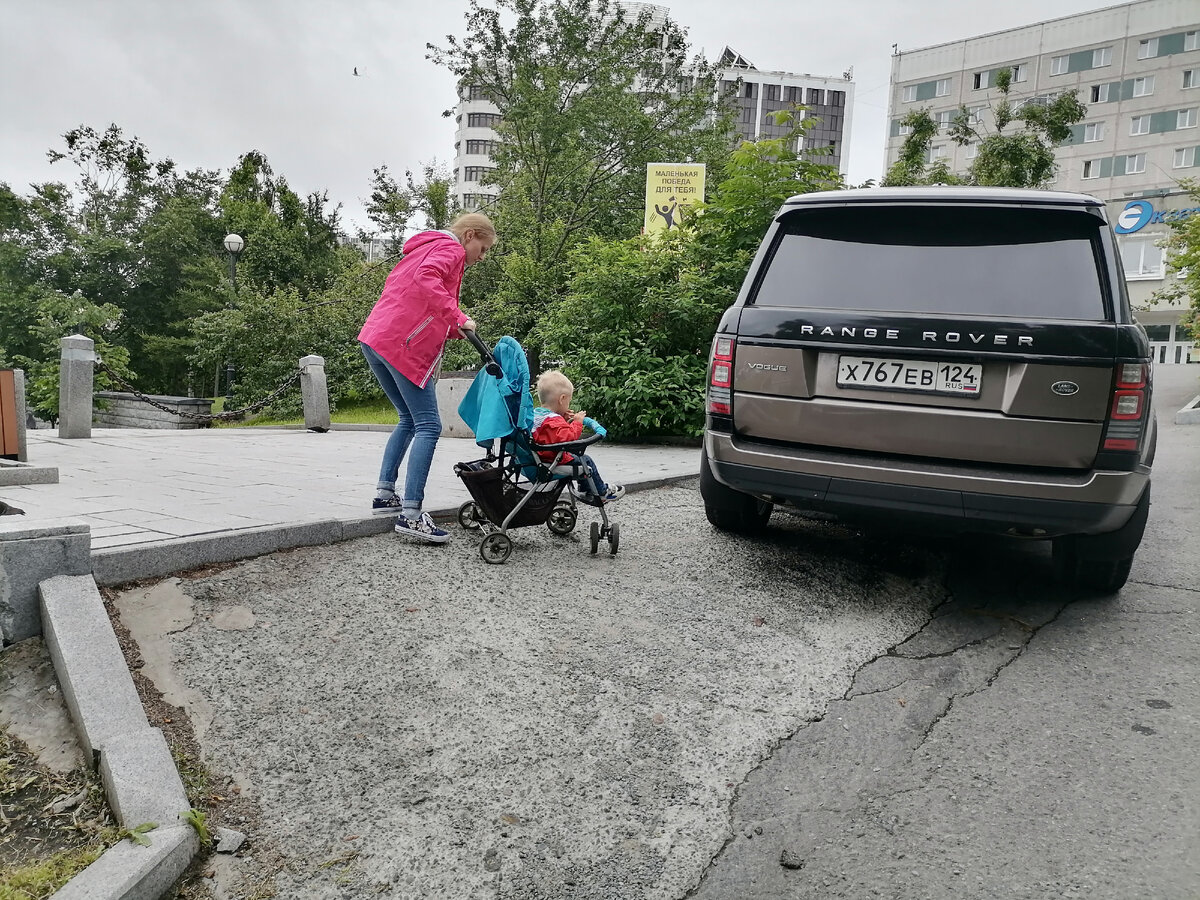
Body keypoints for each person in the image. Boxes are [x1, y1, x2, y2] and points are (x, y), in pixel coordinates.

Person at [358, 212, 497, 543]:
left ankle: (384, 494)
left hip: (377, 338)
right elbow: (427, 280)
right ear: (470, 235)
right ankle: (411, 513)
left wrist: (454, 329)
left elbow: (420, 300)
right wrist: (458, 315)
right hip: (401, 346)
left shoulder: (426, 247)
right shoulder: (450, 250)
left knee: (407, 419)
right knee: (429, 425)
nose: (483, 256)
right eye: (484, 247)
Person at [531, 370, 624, 504]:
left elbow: (550, 434)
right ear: (562, 399)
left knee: (580, 459)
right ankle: (601, 492)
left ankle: (585, 488)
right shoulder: (553, 421)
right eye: (568, 401)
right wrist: (577, 423)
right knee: (586, 460)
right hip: (553, 458)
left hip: (542, 455)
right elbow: (568, 437)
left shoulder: (538, 415)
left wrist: (562, 418)